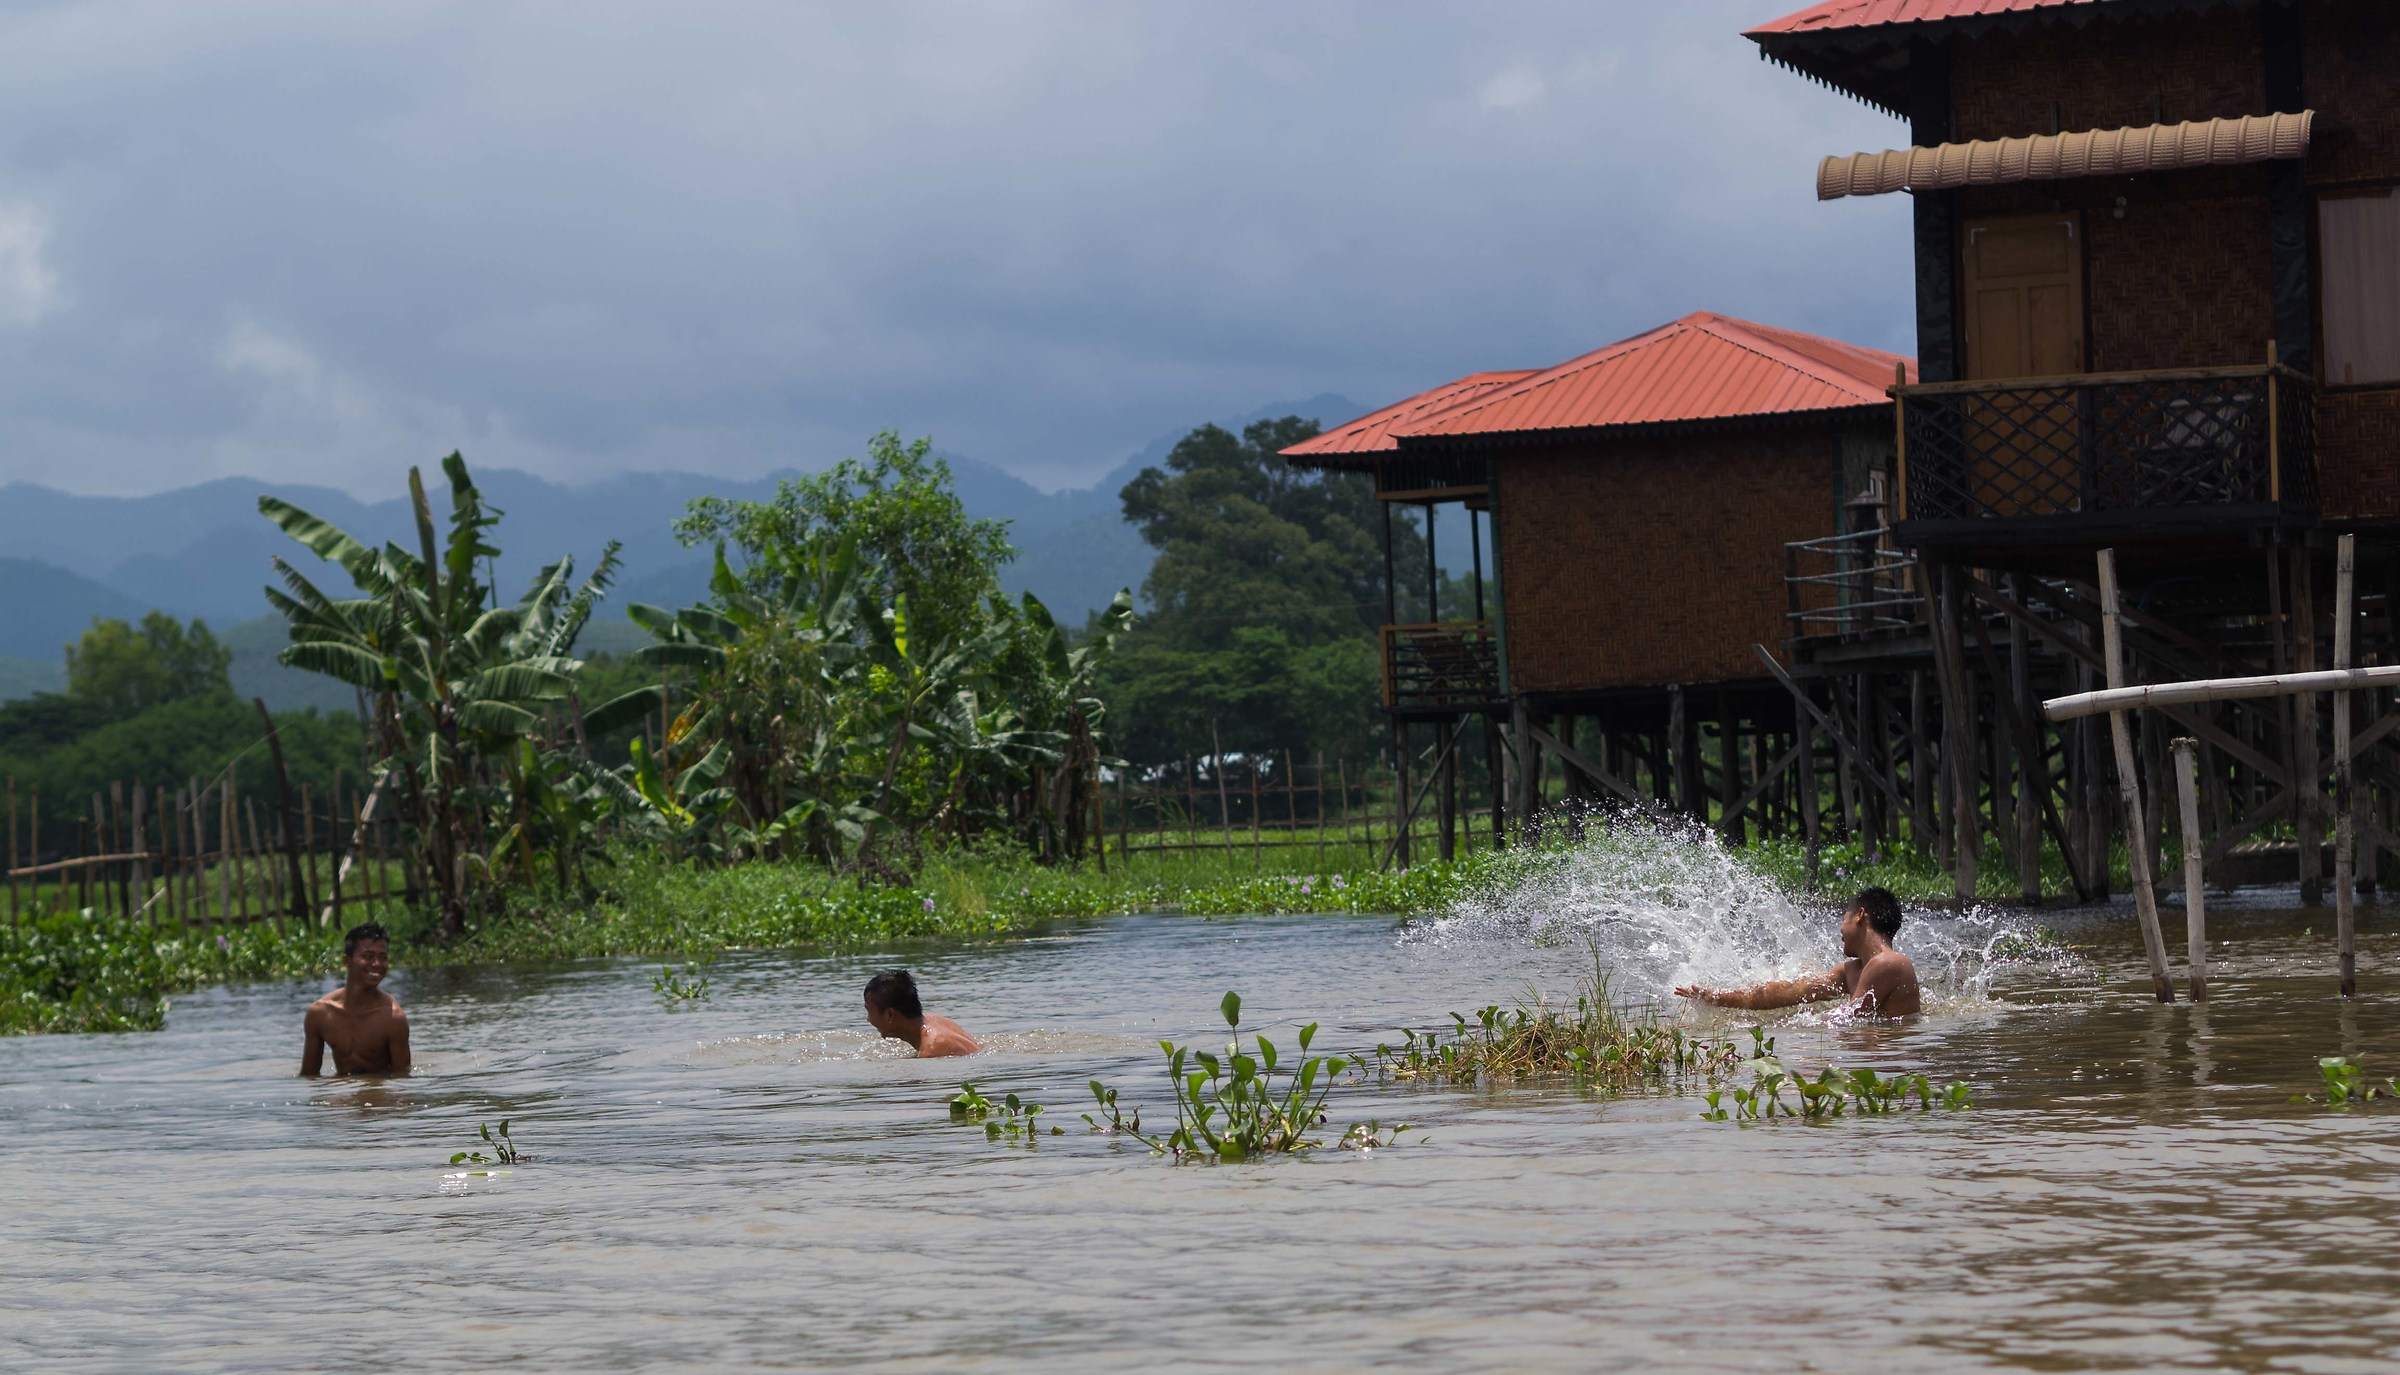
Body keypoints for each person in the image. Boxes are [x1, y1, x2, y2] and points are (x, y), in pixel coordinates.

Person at [1675, 887, 1922, 1019]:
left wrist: (1803, 1039)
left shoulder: (1891, 962)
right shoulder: (1851, 971)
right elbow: (1784, 994)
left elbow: (1848, 1019)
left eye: (1843, 916)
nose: (1840, 928)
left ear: (1859, 915)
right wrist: (1719, 997)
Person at [300, 922, 412, 1077]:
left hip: (379, 1094)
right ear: (347, 961)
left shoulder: (392, 1018)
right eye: (368, 956)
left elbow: (403, 1079)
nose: (377, 964)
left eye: (383, 957)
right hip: (342, 1092)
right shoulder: (320, 1014)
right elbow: (309, 1076)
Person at [864, 969, 979, 1057]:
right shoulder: (937, 1021)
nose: (868, 1019)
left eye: (869, 1011)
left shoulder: (931, 1049)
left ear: (889, 1014)